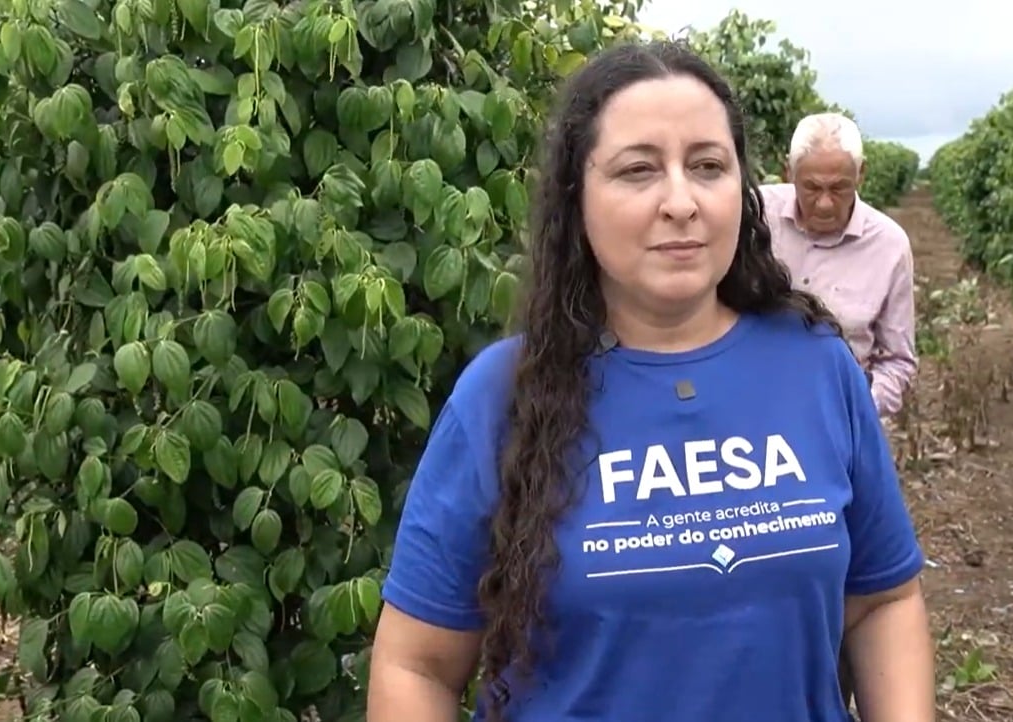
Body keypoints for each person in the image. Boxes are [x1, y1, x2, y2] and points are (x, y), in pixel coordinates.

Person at [366, 40, 935, 722]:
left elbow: (882, 602)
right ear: (578, 198)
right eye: (638, 170)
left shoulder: (816, 365)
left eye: (708, 166)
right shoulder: (500, 397)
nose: (681, 201)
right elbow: (416, 665)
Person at [758, 112, 918, 419]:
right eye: (812, 188)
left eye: (839, 189)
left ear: (862, 174)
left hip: (838, 422)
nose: (825, 203)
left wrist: (855, 408)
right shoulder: (756, 217)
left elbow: (898, 361)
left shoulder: (889, 245)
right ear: (787, 172)